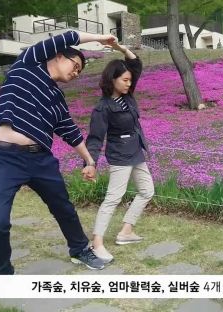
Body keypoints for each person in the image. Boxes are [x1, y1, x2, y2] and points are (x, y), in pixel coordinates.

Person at [0, 30, 117, 274]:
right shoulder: (27, 65)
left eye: (80, 71)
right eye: (75, 65)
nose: (76, 72)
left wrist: (89, 161)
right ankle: (2, 273)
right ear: (59, 56)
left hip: (40, 159)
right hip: (4, 157)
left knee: (64, 207)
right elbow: (66, 37)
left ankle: (80, 250)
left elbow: (70, 131)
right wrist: (100, 39)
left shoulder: (57, 98)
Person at [85, 42, 154, 263]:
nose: (129, 83)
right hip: (120, 156)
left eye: (130, 80)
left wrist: (121, 48)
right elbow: (95, 139)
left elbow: (136, 64)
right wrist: (90, 163)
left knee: (147, 191)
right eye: (124, 80)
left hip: (136, 151)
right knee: (112, 199)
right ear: (112, 80)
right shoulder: (102, 108)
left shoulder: (127, 95)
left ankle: (125, 231)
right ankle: (96, 244)